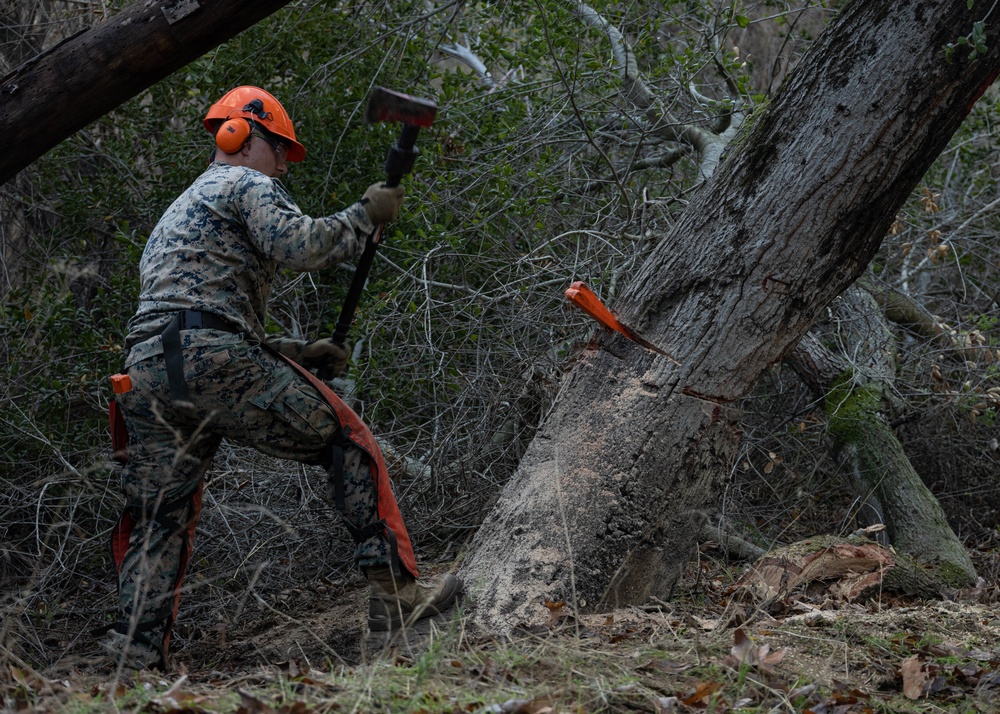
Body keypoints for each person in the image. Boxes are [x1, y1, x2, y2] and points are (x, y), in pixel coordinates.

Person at [104, 86, 461, 670]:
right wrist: (365, 214)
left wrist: (297, 351)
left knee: (158, 518)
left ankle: (133, 661)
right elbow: (300, 246)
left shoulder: (178, 210)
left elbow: (191, 314)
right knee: (348, 440)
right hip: (206, 356)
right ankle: (396, 599)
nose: (282, 164)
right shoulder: (245, 183)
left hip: (146, 371)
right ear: (239, 136)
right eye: (279, 150)